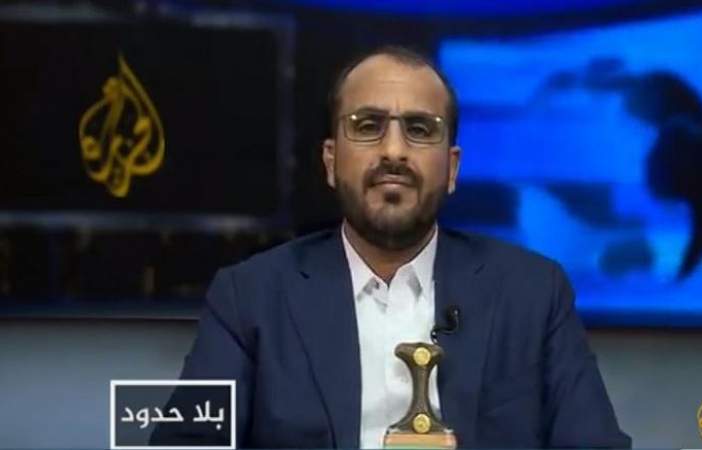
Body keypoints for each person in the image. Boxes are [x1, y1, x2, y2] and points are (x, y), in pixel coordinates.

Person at [166, 46, 631, 448]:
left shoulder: (533, 293)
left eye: (420, 129)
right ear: (330, 161)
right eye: (368, 126)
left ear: (452, 169)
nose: (393, 151)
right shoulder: (250, 298)